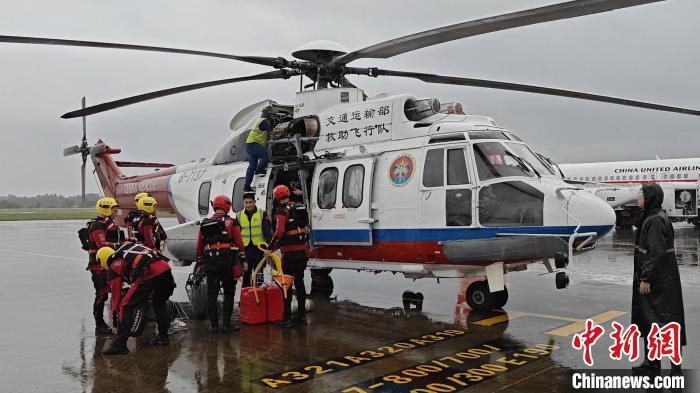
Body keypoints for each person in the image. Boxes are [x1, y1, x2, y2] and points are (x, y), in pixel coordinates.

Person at [631, 183, 686, 375]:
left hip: (659, 281)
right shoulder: (652, 216)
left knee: (664, 321)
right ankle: (651, 362)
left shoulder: (654, 220)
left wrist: (646, 277)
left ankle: (674, 367)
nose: (638, 198)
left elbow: (657, 252)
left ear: (650, 197)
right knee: (650, 321)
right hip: (660, 277)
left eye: (641, 194)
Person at [97, 243, 175, 355]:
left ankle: (120, 345)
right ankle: (163, 337)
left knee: (126, 305)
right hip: (165, 270)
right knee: (159, 303)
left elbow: (116, 296)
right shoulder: (125, 253)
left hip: (150, 273)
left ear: (103, 260)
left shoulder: (115, 264)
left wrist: (115, 315)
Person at [196, 195, 246, 333]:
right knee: (229, 293)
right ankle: (226, 325)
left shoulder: (205, 223)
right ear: (227, 206)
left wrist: (200, 261)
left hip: (210, 262)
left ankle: (214, 326)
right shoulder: (231, 222)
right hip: (227, 262)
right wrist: (243, 259)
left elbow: (200, 245)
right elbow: (239, 243)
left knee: (212, 294)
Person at [270, 185, 309, 329]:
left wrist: (271, 247)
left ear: (276, 197)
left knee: (286, 286)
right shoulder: (299, 207)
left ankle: (286, 319)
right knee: (300, 283)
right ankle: (301, 316)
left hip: (289, 255)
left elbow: (279, 232)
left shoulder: (281, 211)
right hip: (302, 253)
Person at [85, 197, 123, 335]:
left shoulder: (109, 223)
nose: (115, 211)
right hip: (99, 267)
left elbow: (116, 240)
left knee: (117, 292)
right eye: (114, 209)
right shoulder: (97, 226)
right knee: (101, 295)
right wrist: (120, 245)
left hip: (110, 265)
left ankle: (117, 319)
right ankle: (99, 325)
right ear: (106, 209)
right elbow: (102, 244)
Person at [236, 192, 272, 287]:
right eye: (246, 202)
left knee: (259, 274)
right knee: (246, 274)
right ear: (243, 203)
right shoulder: (239, 215)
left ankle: (259, 296)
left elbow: (267, 232)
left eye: (250, 202)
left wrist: (268, 248)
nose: (248, 205)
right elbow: (237, 234)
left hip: (259, 249)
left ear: (255, 202)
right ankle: (247, 298)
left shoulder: (261, 213)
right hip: (246, 249)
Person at [244, 107, 275, 192]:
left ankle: (246, 186)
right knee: (266, 155)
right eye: (272, 114)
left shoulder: (259, 120)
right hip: (253, 144)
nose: (274, 116)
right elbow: (272, 132)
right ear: (268, 114)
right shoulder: (264, 121)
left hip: (249, 145)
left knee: (252, 166)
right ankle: (259, 170)